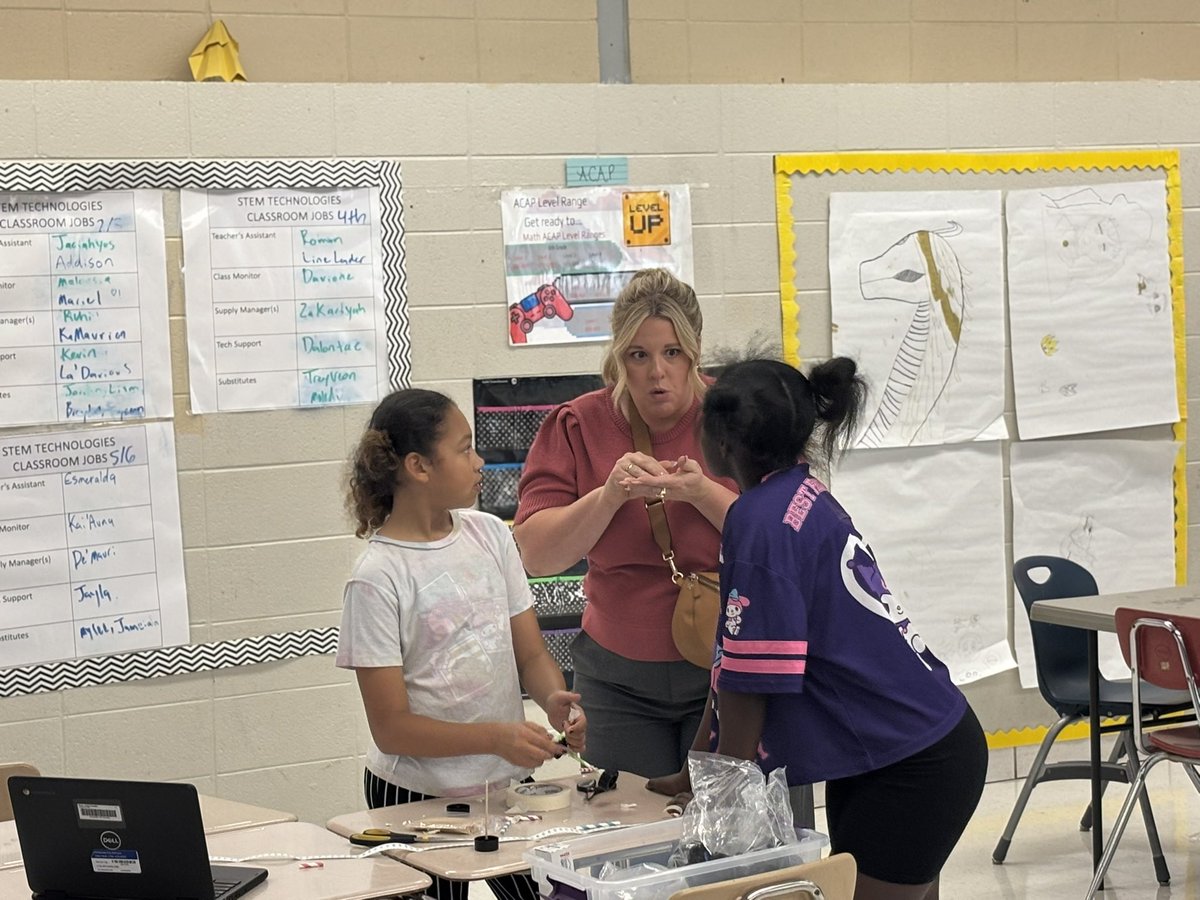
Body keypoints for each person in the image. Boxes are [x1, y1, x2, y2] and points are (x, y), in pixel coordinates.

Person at [675, 357, 989, 900]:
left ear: (722, 440)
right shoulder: (797, 492)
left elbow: (750, 686)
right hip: (908, 749)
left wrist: (720, 803)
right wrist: (693, 772)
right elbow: (732, 659)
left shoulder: (761, 520)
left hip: (910, 764)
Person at [336, 388, 586, 900]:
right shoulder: (378, 576)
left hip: (505, 788)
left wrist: (553, 701)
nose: (480, 460)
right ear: (418, 467)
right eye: (465, 448)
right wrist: (495, 737)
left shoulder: (491, 535)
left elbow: (531, 654)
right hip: (414, 795)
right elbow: (391, 728)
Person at [513, 268, 739, 781]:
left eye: (672, 353)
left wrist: (703, 493)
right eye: (639, 356)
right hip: (618, 680)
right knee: (628, 842)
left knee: (739, 840)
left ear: (696, 350)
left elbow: (787, 539)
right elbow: (535, 555)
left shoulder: (737, 414)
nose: (657, 373)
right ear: (618, 357)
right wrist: (609, 496)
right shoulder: (579, 422)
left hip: (727, 671)